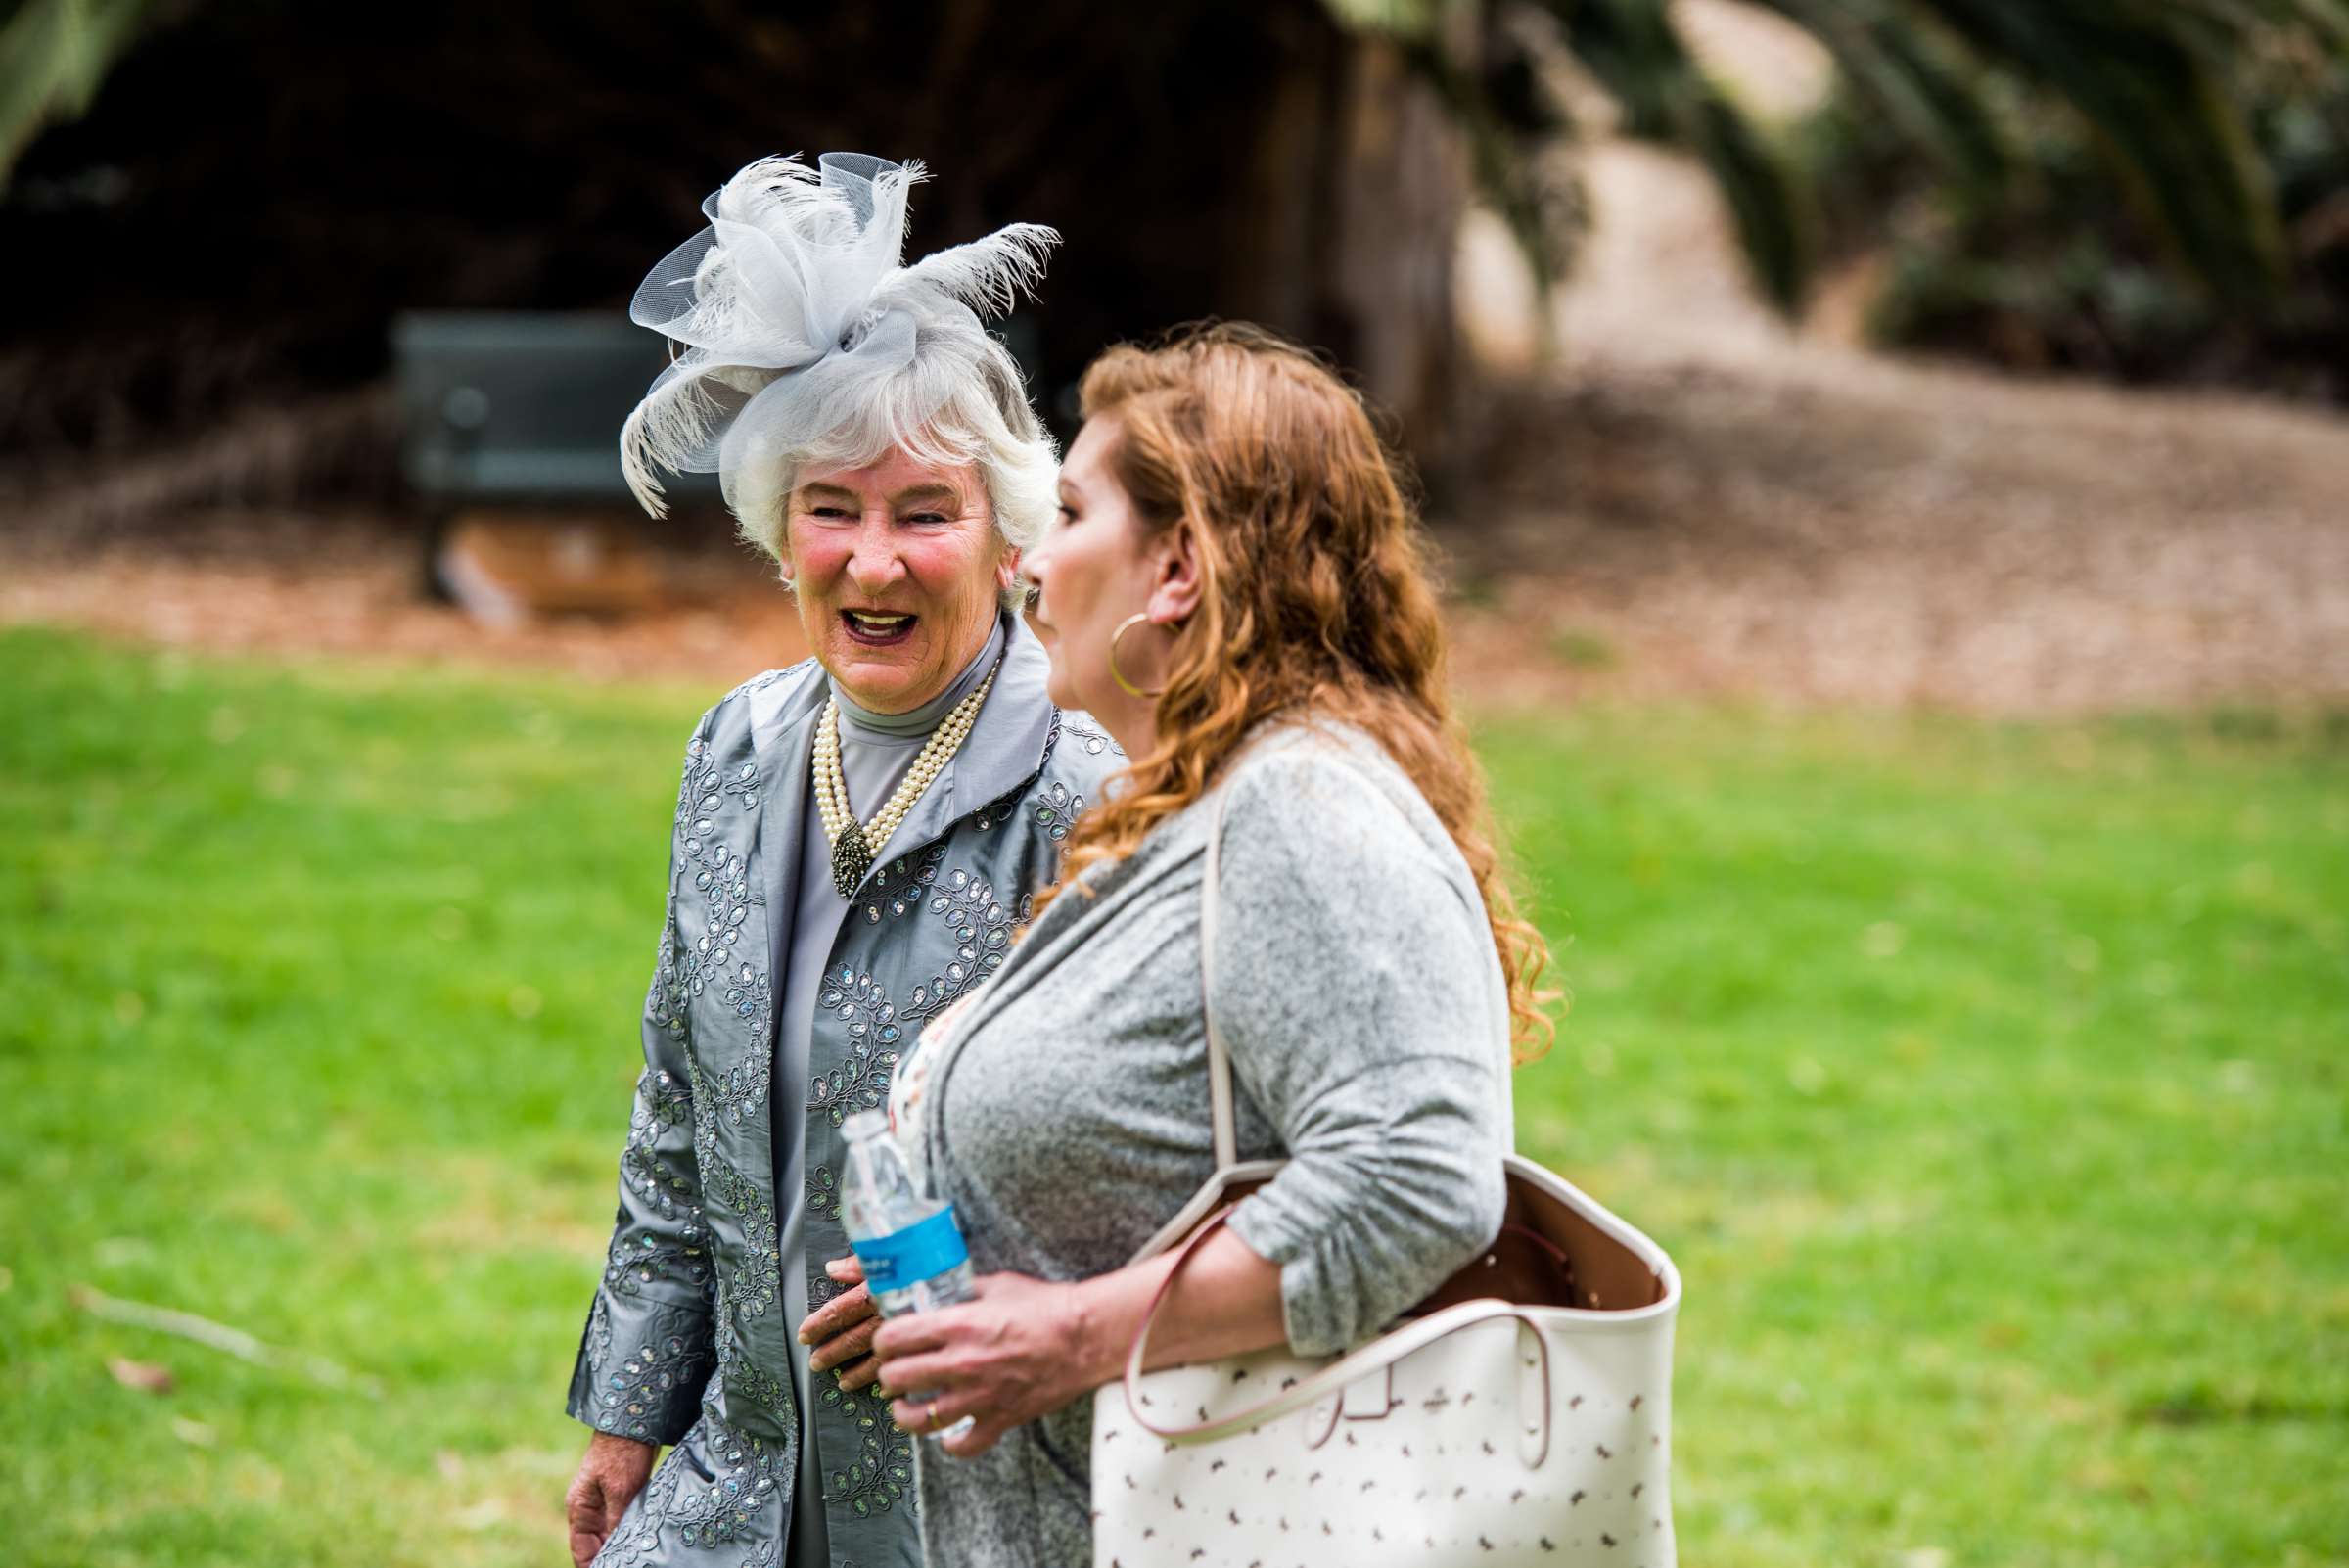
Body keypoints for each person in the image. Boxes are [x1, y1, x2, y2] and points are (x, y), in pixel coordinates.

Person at [861, 323, 1557, 1567]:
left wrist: (1072, 1334)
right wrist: (964, 1287)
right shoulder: (1195, 809)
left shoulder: (1301, 810)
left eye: (1070, 513)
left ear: (1177, 565)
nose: (1028, 561)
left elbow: (1423, 1170)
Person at [560, 152, 1120, 1568]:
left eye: (925, 512)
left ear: (1008, 540)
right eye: (834, 508)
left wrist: (991, 1282)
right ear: (777, 526)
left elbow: (1152, 1163)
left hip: (982, 1504)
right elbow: (679, 1104)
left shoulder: (1090, 792)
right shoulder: (736, 749)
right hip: (739, 1487)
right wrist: (631, 1414)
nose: (873, 562)